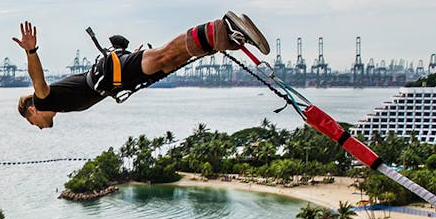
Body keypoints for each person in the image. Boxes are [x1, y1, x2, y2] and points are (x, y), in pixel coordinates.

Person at [13, 12, 270, 129]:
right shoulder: (60, 102)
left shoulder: (44, 99)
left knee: (165, 55)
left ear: (32, 111)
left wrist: (31, 51)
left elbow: (38, 79)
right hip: (116, 76)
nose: (38, 126)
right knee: (169, 61)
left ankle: (222, 27)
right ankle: (222, 37)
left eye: (32, 123)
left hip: (114, 72)